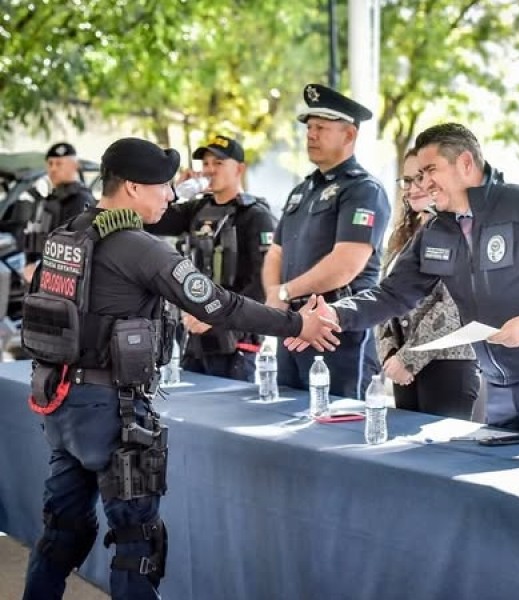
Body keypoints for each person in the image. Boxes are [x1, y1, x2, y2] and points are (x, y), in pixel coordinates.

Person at [21, 137, 338, 600]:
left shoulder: (66, 235)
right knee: (137, 542)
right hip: (112, 412)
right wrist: (297, 323)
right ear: (133, 187)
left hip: (60, 402)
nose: (171, 196)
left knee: (61, 532)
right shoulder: (138, 247)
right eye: (164, 186)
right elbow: (219, 304)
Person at [294, 122, 519, 442]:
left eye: (431, 170)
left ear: (466, 163)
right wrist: (336, 313)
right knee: (499, 473)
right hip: (498, 385)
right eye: (420, 174)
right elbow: (392, 294)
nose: (423, 183)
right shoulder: (437, 230)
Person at [262, 83, 390, 399]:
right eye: (309, 127)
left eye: (321, 128)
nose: (311, 135)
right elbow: (276, 253)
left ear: (349, 135)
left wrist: (285, 291)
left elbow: (346, 265)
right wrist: (275, 296)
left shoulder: (363, 190)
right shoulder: (301, 191)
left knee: (338, 420)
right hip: (293, 324)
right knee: (284, 412)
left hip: (336, 331)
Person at [146, 134, 276, 382]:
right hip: (194, 336)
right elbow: (150, 221)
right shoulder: (196, 209)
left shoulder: (255, 215)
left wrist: (217, 315)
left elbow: (262, 283)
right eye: (205, 163)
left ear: (239, 169)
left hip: (234, 340)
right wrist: (173, 192)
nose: (209, 170)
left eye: (218, 163)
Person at [378, 149, 479, 419]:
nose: (412, 188)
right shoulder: (401, 235)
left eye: (420, 178)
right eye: (407, 180)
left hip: (448, 363)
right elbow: (386, 295)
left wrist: (407, 359)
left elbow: (453, 306)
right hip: (402, 365)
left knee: (441, 447)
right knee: (404, 443)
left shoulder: (461, 229)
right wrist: (389, 353)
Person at [22, 142, 95, 282]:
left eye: (59, 164)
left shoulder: (81, 200)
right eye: (50, 164)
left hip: (63, 281)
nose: (53, 169)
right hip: (43, 278)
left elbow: (77, 250)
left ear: (74, 166)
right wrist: (31, 264)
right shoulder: (49, 200)